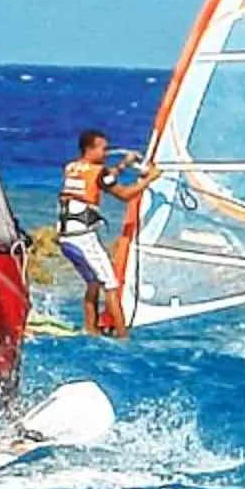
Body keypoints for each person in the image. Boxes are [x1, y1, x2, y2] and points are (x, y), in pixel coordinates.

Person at [58, 130, 156, 335]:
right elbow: (125, 195)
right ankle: (123, 338)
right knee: (111, 285)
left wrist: (124, 164)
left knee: (93, 283)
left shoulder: (72, 168)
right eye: (103, 148)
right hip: (83, 238)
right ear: (90, 149)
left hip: (66, 238)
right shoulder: (98, 172)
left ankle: (91, 332)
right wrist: (150, 179)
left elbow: (102, 179)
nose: (106, 152)